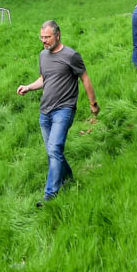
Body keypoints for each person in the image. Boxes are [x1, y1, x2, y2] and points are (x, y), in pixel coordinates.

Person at [16, 20, 99, 205]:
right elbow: (44, 79)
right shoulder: (43, 56)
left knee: (54, 149)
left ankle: (50, 195)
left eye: (47, 37)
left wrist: (93, 103)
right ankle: (68, 177)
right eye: (42, 37)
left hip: (64, 110)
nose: (44, 41)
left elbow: (84, 78)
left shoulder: (71, 55)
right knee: (53, 151)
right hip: (45, 112)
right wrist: (28, 87)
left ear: (58, 35)